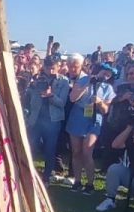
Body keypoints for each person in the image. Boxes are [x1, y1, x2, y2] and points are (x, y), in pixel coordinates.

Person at [65, 61, 115, 195]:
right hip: (78, 116)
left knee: (87, 152)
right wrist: (88, 84)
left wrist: (99, 102)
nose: (104, 75)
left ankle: (90, 183)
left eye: (108, 74)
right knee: (76, 151)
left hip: (94, 118)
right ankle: (77, 181)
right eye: (103, 72)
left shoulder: (108, 89)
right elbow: (72, 98)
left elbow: (105, 111)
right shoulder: (82, 80)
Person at [24, 55, 70, 185]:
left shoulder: (63, 81)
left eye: (53, 68)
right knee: (31, 147)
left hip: (53, 120)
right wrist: (31, 85)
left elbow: (62, 103)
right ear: (44, 66)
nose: (50, 70)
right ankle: (28, 174)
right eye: (48, 67)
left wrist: (50, 95)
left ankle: (46, 177)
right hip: (36, 118)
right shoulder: (37, 78)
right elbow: (28, 97)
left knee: (49, 149)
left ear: (59, 66)